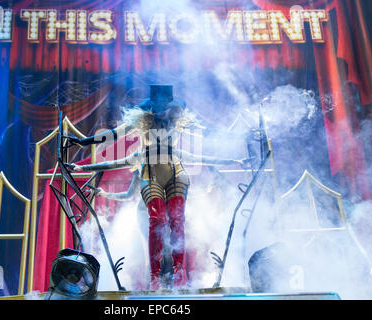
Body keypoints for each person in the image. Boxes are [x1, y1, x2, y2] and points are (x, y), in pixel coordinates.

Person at [68, 85, 250, 289]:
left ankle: (179, 272)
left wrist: (235, 157)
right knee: (157, 219)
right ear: (151, 107)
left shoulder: (177, 123)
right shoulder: (141, 127)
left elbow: (207, 148)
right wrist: (83, 142)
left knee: (177, 219)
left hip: (176, 172)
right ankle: (155, 275)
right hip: (150, 172)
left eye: (165, 105)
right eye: (158, 105)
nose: (161, 109)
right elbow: (112, 137)